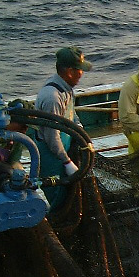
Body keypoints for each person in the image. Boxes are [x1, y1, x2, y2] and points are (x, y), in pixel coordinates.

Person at [34, 46, 92, 209]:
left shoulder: (67, 89)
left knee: (69, 197)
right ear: (68, 71)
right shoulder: (52, 97)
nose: (82, 74)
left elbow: (72, 116)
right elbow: (52, 137)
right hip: (51, 157)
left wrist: (82, 133)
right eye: (79, 70)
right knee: (59, 199)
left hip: (64, 148)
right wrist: (66, 162)